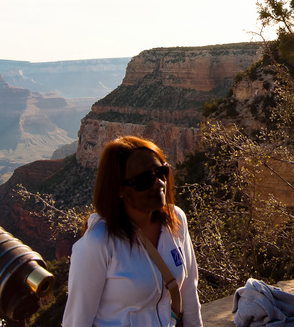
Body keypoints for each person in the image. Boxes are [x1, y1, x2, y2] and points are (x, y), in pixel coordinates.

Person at [63, 136, 201, 327]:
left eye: (162, 172)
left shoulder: (176, 220)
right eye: (144, 180)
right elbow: (77, 321)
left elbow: (189, 290)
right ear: (119, 189)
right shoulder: (99, 242)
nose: (159, 183)